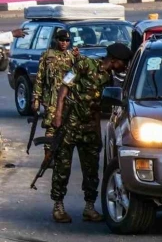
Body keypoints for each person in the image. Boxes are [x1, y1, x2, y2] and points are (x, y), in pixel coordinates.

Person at [50, 43, 133, 223]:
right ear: (113, 60)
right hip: (69, 124)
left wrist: (97, 132)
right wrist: (57, 115)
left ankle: (89, 207)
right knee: (62, 167)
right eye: (123, 63)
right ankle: (58, 206)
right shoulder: (85, 64)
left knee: (91, 170)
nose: (124, 66)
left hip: (89, 128)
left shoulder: (108, 79)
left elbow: (98, 108)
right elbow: (64, 87)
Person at [31, 29, 78, 163]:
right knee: (51, 127)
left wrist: (78, 57)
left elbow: (78, 76)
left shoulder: (72, 57)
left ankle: (61, 157)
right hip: (51, 98)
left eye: (67, 40)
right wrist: (36, 99)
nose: (64, 43)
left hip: (67, 99)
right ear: (56, 40)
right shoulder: (47, 56)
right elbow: (39, 78)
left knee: (66, 129)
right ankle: (48, 157)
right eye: (61, 40)